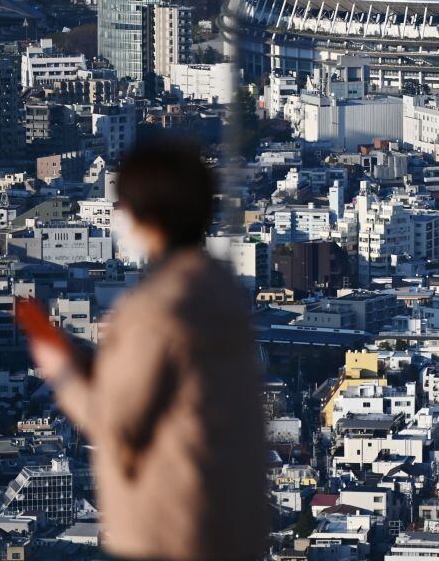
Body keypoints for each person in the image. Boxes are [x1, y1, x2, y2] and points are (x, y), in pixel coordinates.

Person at [28, 140, 266, 561]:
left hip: (167, 530)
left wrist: (58, 366)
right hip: (228, 527)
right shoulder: (221, 294)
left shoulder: (155, 311)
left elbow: (115, 421)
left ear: (149, 216)